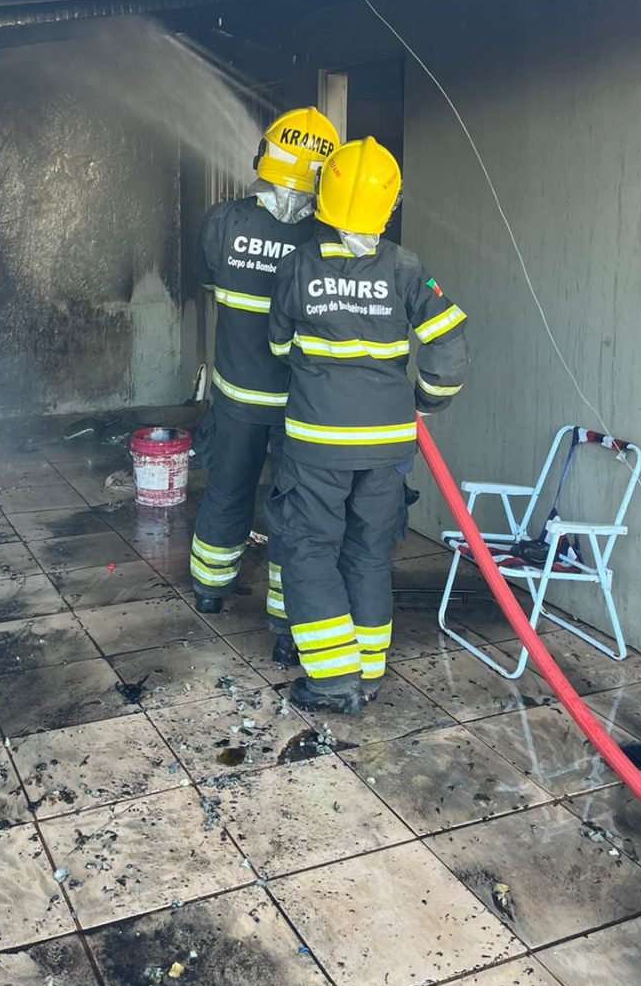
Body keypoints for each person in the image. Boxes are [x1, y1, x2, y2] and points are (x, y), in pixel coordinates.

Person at [267, 136, 469, 713]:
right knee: (369, 549)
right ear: (389, 203)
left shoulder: (298, 266)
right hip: (387, 446)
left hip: (317, 444)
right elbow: (448, 348)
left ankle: (334, 680)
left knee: (309, 548)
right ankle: (370, 670)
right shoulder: (407, 268)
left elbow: (278, 344)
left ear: (324, 199)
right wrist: (426, 401)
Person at [190, 106, 339, 613]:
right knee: (294, 508)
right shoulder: (325, 239)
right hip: (300, 404)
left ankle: (210, 590)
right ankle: (285, 614)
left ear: (265, 157)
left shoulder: (224, 221)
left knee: (227, 491)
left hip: (236, 396)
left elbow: (208, 283)